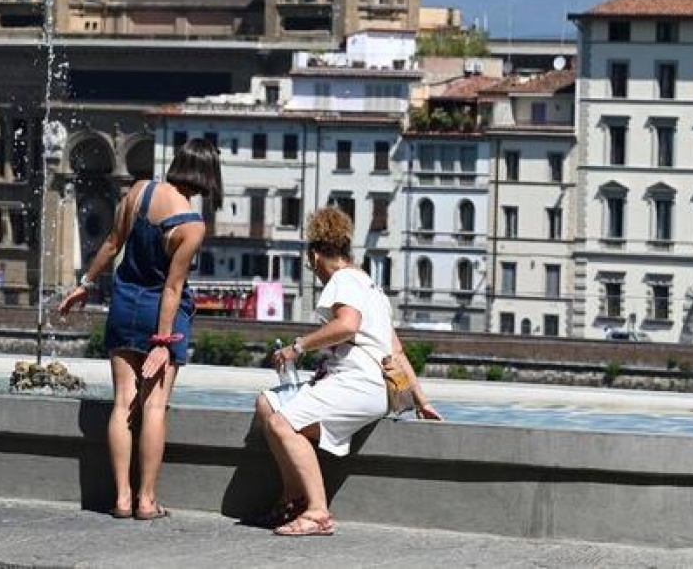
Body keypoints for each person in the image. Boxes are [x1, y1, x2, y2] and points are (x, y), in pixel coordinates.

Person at [57, 138, 222, 521]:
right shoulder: (191, 226)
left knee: (122, 405)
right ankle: (147, 501)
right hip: (161, 315)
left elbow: (112, 243)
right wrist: (163, 342)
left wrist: (85, 282)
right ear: (207, 175)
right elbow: (172, 287)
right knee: (154, 406)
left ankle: (122, 499)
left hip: (123, 306)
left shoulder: (139, 191)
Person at [253, 206, 442, 537]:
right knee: (268, 405)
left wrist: (297, 347)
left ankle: (316, 512)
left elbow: (346, 325)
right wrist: (421, 399)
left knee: (283, 424)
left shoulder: (342, 279)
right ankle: (294, 498)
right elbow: (395, 348)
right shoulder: (370, 285)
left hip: (359, 382)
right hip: (375, 387)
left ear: (315, 254)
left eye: (310, 261)